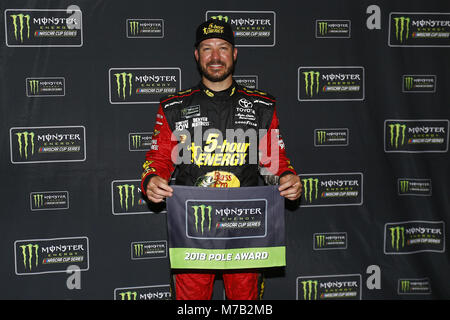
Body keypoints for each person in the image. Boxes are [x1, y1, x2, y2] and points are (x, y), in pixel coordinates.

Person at [140, 18, 302, 300]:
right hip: (193, 227)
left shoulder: (261, 105)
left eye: (223, 48)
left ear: (234, 53)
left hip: (247, 227)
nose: (215, 57)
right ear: (196, 55)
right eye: (207, 49)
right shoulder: (174, 107)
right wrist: (152, 179)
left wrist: (287, 177)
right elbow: (159, 158)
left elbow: (275, 161)